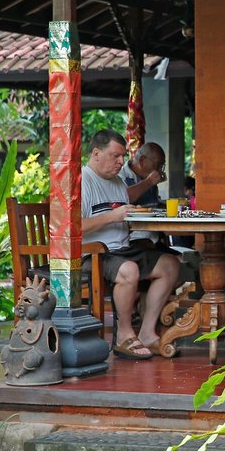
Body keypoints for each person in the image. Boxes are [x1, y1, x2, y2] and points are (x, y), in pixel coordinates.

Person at [82, 129, 181, 360]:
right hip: (92, 252)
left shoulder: (117, 182)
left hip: (123, 249)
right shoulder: (82, 181)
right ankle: (124, 335)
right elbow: (72, 228)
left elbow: (123, 214)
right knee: (129, 270)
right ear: (96, 153)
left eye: (122, 156)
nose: (121, 162)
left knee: (170, 265)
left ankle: (146, 333)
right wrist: (112, 217)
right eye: (115, 156)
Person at [119, 142, 167, 246]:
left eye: (162, 165)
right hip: (133, 242)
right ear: (142, 161)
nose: (160, 169)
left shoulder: (149, 179)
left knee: (187, 255)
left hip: (154, 240)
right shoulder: (121, 176)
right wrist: (149, 182)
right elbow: (123, 198)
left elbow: (152, 206)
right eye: (158, 164)